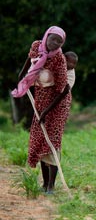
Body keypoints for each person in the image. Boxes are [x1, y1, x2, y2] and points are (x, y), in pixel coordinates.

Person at [12, 26, 70, 194]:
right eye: (53, 39)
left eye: (60, 42)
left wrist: (46, 112)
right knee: (40, 139)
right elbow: (28, 62)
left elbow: (63, 90)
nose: (56, 43)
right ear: (46, 37)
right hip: (41, 99)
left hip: (58, 103)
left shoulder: (59, 59)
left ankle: (51, 187)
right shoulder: (37, 46)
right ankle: (45, 184)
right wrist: (21, 78)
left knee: (52, 140)